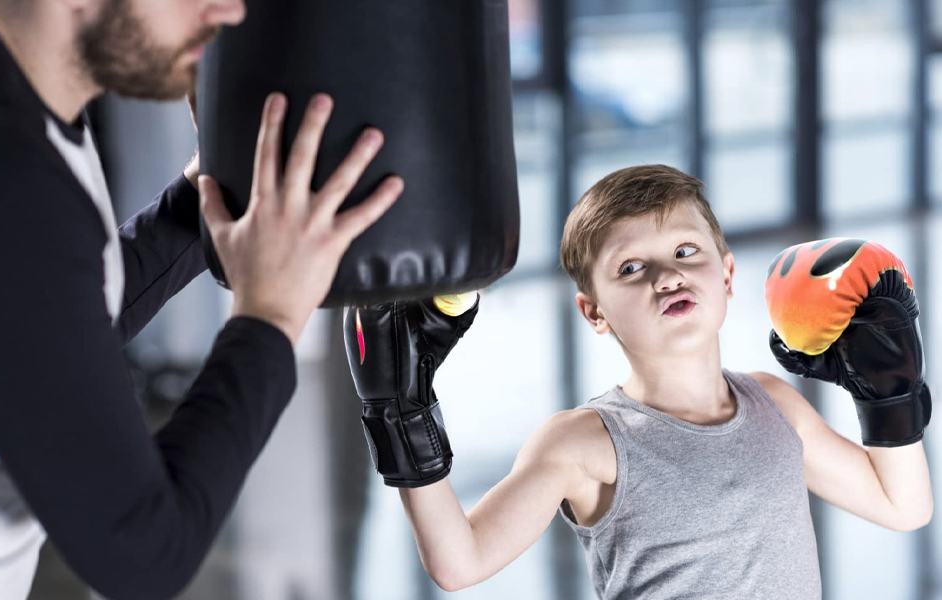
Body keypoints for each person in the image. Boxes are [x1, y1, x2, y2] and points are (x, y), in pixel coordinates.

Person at [345, 164, 933, 598]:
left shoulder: (774, 402)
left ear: (727, 274)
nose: (667, 275)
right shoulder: (584, 442)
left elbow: (903, 507)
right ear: (593, 311)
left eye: (685, 250)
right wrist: (399, 409)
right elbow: (460, 563)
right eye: (631, 267)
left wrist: (887, 392)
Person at [0, 0, 402, 598]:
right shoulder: (16, 185)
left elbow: (49, 331)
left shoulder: (26, 120)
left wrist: (204, 194)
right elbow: (142, 553)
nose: (228, 9)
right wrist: (271, 316)